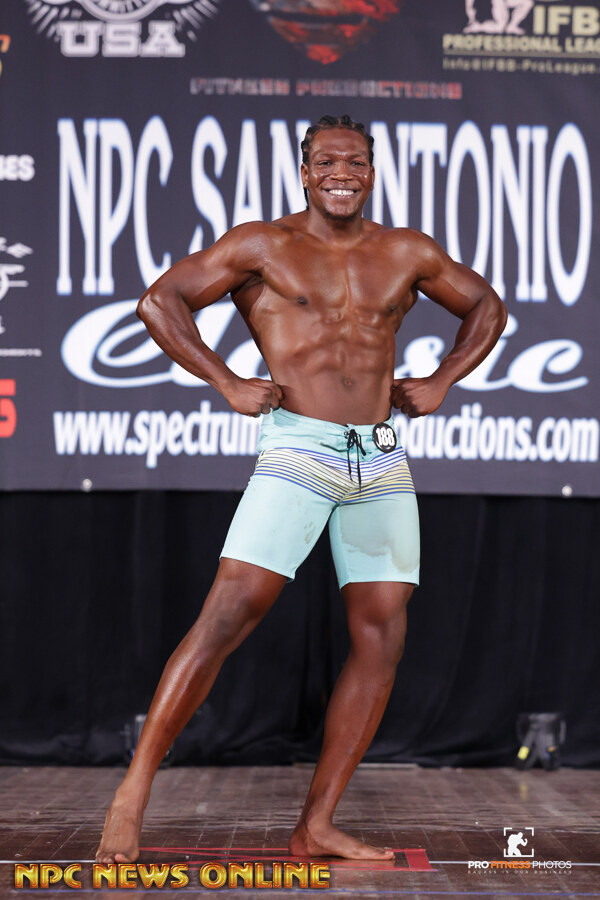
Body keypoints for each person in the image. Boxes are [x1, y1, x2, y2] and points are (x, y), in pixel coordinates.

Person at [96, 114, 507, 864]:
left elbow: (488, 307)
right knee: (229, 613)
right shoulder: (263, 244)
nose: (341, 173)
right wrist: (225, 380)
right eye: (327, 162)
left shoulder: (406, 251)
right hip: (298, 449)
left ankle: (316, 824)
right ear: (306, 172)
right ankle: (132, 793)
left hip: (379, 458)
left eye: (355, 162)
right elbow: (161, 301)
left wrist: (445, 378)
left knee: (382, 636)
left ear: (372, 172)